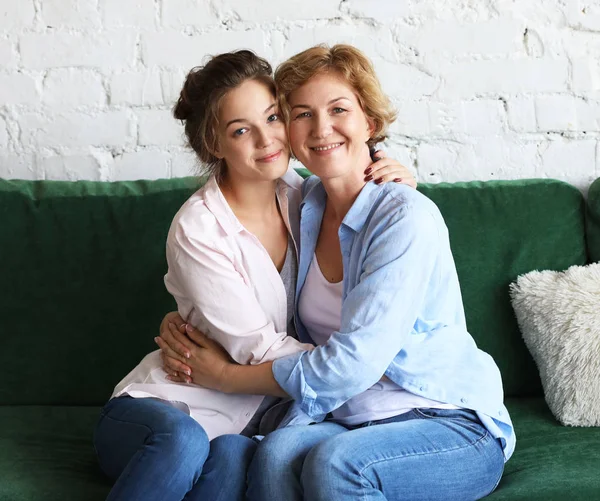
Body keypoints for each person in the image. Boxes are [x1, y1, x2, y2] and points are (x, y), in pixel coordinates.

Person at [159, 44, 515, 501]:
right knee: (276, 452)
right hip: (350, 419)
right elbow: (246, 285)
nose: (321, 127)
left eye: (338, 109)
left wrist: (226, 377)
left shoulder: (404, 215)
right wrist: (188, 314)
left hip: (443, 420)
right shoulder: (302, 204)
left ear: (369, 121)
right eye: (302, 114)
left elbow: (354, 363)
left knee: (337, 466)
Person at [93, 49, 414, 501]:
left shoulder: (306, 197)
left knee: (230, 457)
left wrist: (395, 180)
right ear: (214, 145)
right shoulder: (197, 228)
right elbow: (257, 350)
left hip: (248, 422)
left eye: (273, 117)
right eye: (241, 130)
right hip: (163, 408)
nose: (267, 140)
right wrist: (357, 366)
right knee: (185, 441)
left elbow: (367, 213)